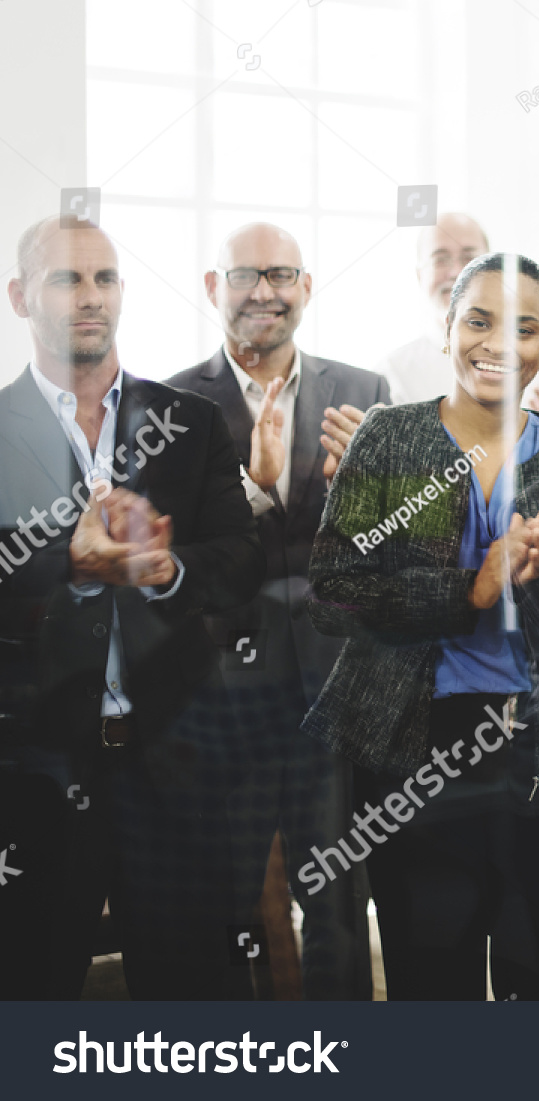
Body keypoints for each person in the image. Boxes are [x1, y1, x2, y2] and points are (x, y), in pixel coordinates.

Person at [303, 252, 539, 1000]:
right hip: (414, 753)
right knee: (431, 976)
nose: (498, 343)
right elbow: (334, 590)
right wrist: (469, 588)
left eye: (524, 327)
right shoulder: (387, 438)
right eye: (478, 320)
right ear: (446, 329)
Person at [0, 216, 263, 998]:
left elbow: (241, 560)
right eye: (66, 279)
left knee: (196, 994)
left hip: (173, 765)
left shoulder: (192, 423)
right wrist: (68, 566)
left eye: (105, 278)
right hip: (36, 775)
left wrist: (164, 569)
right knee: (29, 986)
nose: (91, 298)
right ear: (19, 296)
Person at [167, 222, 389, 1000]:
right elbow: (182, 569)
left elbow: (385, 564)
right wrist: (254, 488)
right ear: (211, 286)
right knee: (225, 910)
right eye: (246, 274)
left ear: (306, 284)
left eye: (282, 273)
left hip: (327, 696)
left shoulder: (365, 392)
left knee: (335, 905)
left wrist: (371, 492)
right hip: (221, 702)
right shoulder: (170, 407)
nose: (265, 290)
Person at [375, 212, 539, 416]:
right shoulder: (390, 373)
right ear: (420, 274)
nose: (457, 272)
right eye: (440, 260)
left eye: (470, 258)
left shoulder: (530, 359)